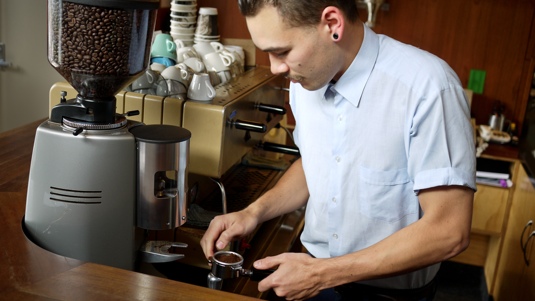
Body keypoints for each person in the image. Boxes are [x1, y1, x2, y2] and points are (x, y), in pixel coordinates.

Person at [200, 1, 476, 300]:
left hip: (386, 294)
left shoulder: (428, 86)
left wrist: (322, 274)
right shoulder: (305, 78)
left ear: (332, 24)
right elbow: (317, 164)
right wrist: (254, 212)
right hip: (312, 276)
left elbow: (449, 231)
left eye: (282, 51)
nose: (276, 67)